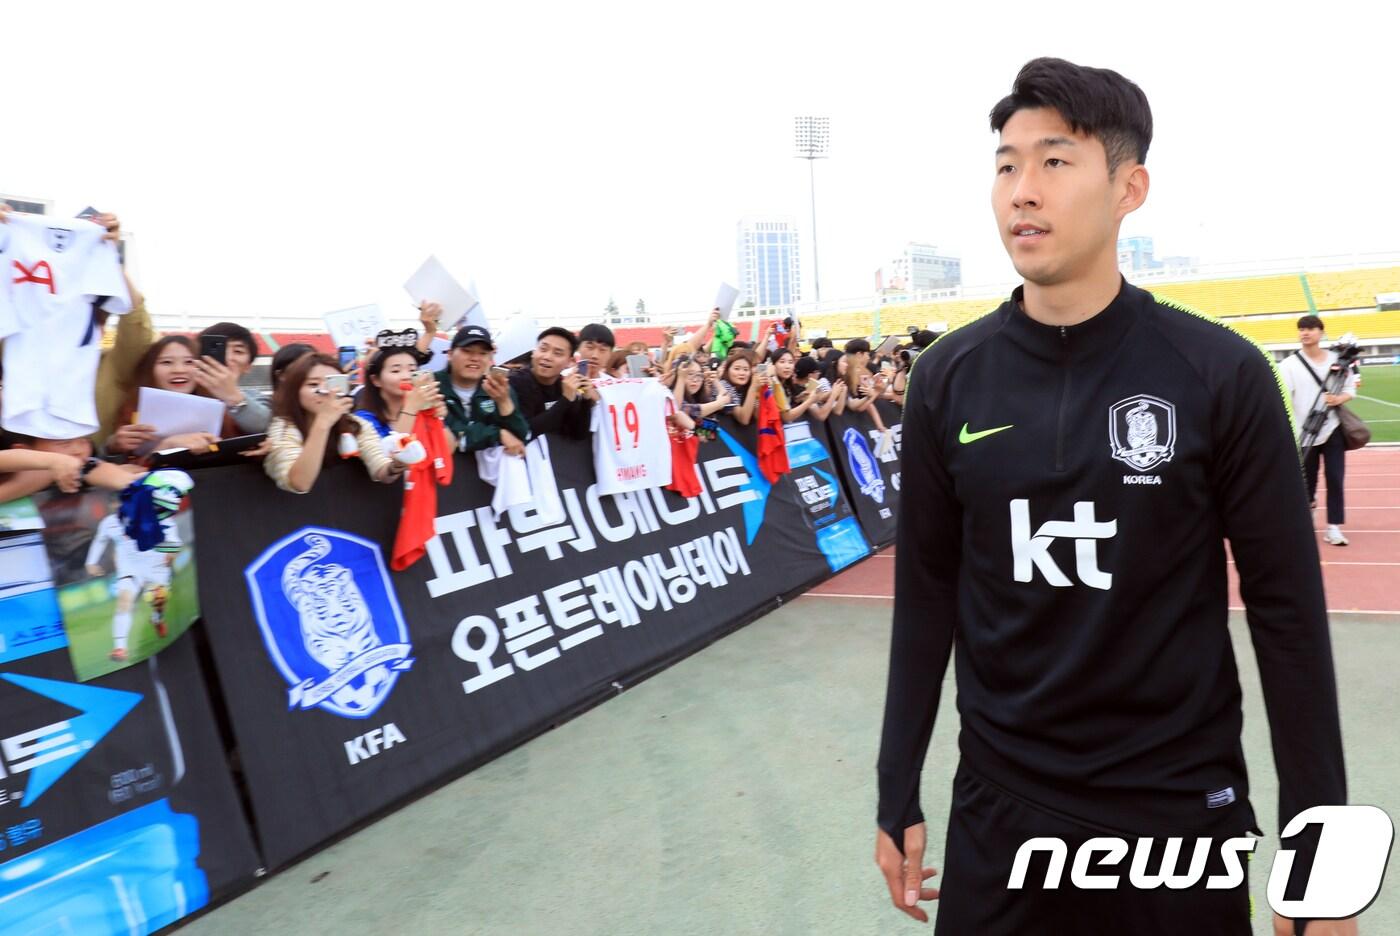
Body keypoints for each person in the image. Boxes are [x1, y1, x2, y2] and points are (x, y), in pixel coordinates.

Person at [876, 58, 1349, 936]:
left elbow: (1286, 613)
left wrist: (1320, 860)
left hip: (1175, 809)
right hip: (1002, 805)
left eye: (1055, 162)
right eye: (1007, 163)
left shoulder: (1219, 374)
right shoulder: (946, 378)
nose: (1022, 189)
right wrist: (894, 786)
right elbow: (929, 593)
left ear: (1129, 187)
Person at [263, 353, 403, 494]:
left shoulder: (355, 424)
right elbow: (300, 483)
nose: (326, 392)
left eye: (334, 384)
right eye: (313, 384)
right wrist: (323, 422)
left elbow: (380, 468)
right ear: (295, 390)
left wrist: (395, 467)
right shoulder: (283, 427)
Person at [1278, 315, 1357, 546]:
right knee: (1306, 481)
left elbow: (1351, 388)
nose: (1305, 333)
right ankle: (1308, 514)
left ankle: (1333, 527)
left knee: (1335, 478)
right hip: (1304, 431)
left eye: (1311, 328)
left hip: (1332, 428)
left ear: (1321, 332)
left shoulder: (1338, 360)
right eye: (1301, 329)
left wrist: (1338, 398)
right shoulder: (1289, 365)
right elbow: (1285, 399)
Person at [106, 336, 239, 459]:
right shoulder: (134, 408)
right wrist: (113, 447)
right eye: (166, 362)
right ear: (150, 369)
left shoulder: (221, 407)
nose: (179, 370)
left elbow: (240, 452)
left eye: (189, 362)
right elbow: (123, 470)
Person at [435, 325, 530, 454]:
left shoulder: (497, 387)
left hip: (491, 470)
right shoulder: (433, 385)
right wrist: (498, 434)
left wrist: (504, 402)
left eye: (483, 353)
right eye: (467, 351)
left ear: (490, 358)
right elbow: (450, 434)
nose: (475, 358)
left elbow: (521, 438)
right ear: (450, 354)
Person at [353, 342, 453, 453]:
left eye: (412, 371)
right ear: (376, 380)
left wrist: (438, 418)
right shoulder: (364, 419)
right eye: (395, 371)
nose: (406, 377)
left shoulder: (423, 410)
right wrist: (410, 409)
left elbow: (449, 449)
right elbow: (392, 457)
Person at [508, 327, 593, 439]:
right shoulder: (515, 383)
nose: (547, 357)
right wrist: (565, 400)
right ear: (533, 353)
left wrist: (586, 400)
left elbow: (578, 434)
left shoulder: (564, 386)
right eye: (543, 349)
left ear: (569, 361)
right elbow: (527, 432)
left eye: (557, 353)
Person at [195, 322, 271, 433]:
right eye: (217, 348)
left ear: (248, 366)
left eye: (238, 351)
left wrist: (233, 397)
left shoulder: (255, 397)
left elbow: (264, 425)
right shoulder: (185, 392)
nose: (228, 357)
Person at [716, 353, 762, 426]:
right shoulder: (723, 386)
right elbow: (744, 419)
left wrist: (760, 390)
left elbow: (757, 417)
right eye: (737, 369)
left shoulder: (744, 388)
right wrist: (753, 388)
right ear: (727, 370)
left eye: (746, 369)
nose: (742, 373)